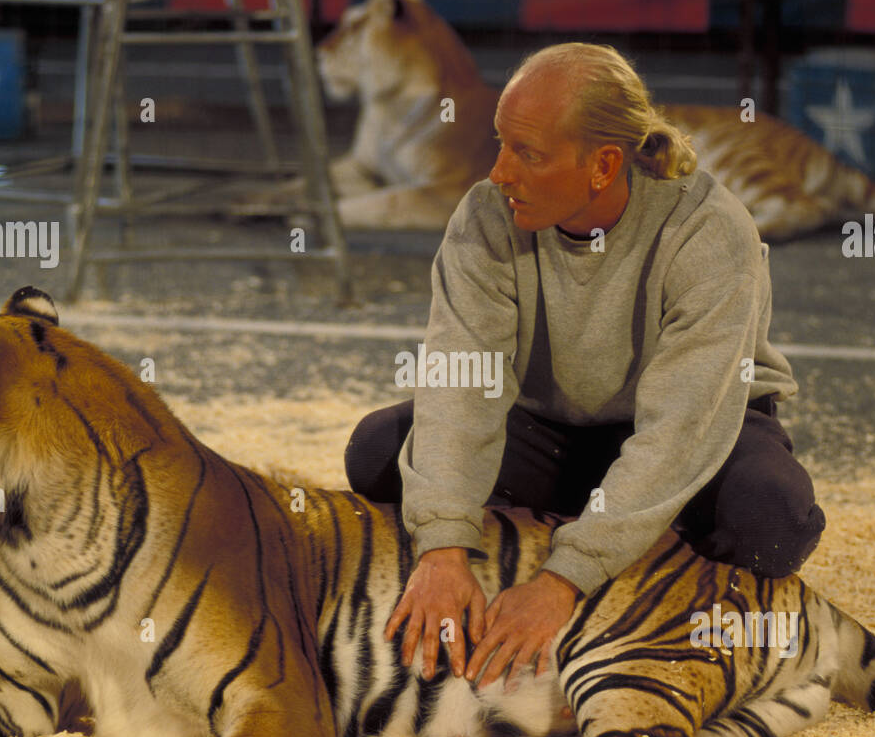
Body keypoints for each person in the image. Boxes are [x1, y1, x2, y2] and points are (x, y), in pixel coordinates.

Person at [344, 43, 825, 692]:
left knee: (773, 518)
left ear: (602, 165)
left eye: (527, 154)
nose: (499, 173)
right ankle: (617, 524)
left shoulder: (709, 232)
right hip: (552, 428)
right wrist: (443, 547)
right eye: (500, 144)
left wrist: (562, 580)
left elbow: (678, 432)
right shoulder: (487, 217)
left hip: (698, 428)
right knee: (376, 451)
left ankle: (616, 537)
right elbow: (461, 384)